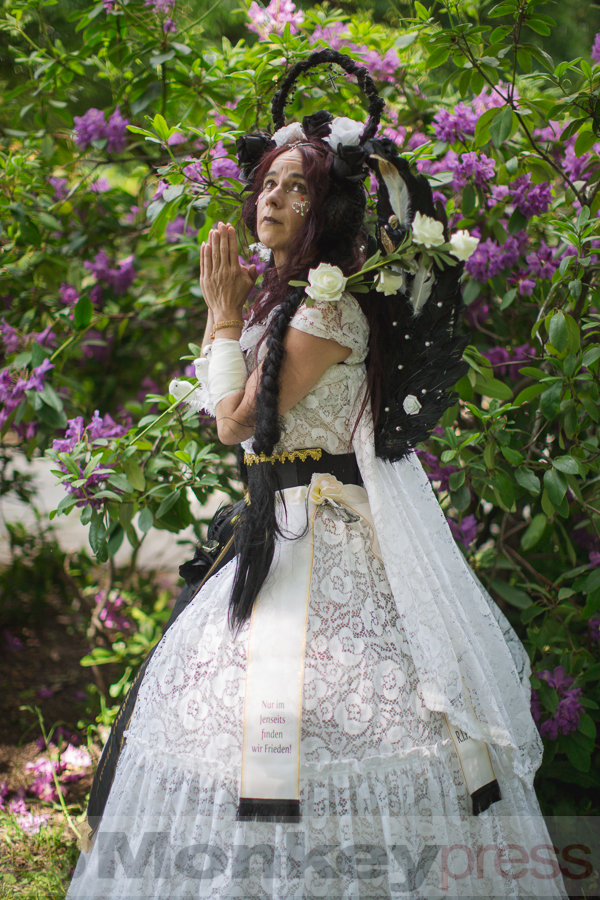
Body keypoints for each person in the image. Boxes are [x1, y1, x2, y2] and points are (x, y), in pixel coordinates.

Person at [67, 51, 568, 899]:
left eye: (299, 189)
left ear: (328, 209)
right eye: (269, 183)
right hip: (282, 527)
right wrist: (232, 320)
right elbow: (228, 412)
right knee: (229, 724)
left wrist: (221, 317)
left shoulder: (329, 308)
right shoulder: (285, 300)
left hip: (323, 536)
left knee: (329, 727)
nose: (274, 199)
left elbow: (235, 426)